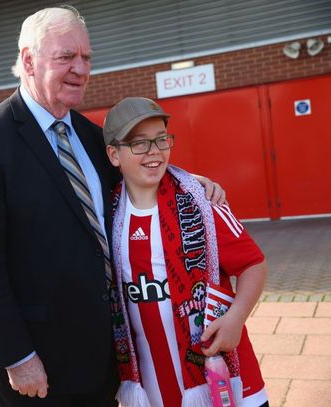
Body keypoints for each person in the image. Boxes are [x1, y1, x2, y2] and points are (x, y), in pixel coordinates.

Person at [0, 6, 226, 406]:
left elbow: (136, 178)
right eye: (66, 57)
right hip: (35, 363)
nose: (81, 68)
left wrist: (186, 182)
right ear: (28, 60)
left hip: (104, 352)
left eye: (87, 57)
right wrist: (17, 356)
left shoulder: (93, 136)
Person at [104, 97, 269, 407]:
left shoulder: (202, 201)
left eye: (161, 139)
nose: (154, 151)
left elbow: (253, 264)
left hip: (223, 378)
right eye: (139, 143)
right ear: (114, 154)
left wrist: (235, 319)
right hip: (151, 386)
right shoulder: (106, 215)